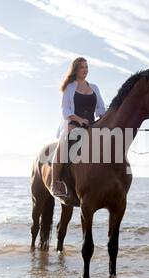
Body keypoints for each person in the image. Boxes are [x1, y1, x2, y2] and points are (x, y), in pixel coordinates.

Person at [51, 57, 107, 197]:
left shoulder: (94, 87)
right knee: (63, 144)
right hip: (72, 122)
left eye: (87, 67)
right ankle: (55, 184)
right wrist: (79, 119)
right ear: (76, 69)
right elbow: (66, 111)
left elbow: (100, 108)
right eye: (82, 67)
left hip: (90, 125)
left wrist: (104, 118)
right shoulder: (68, 87)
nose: (85, 70)